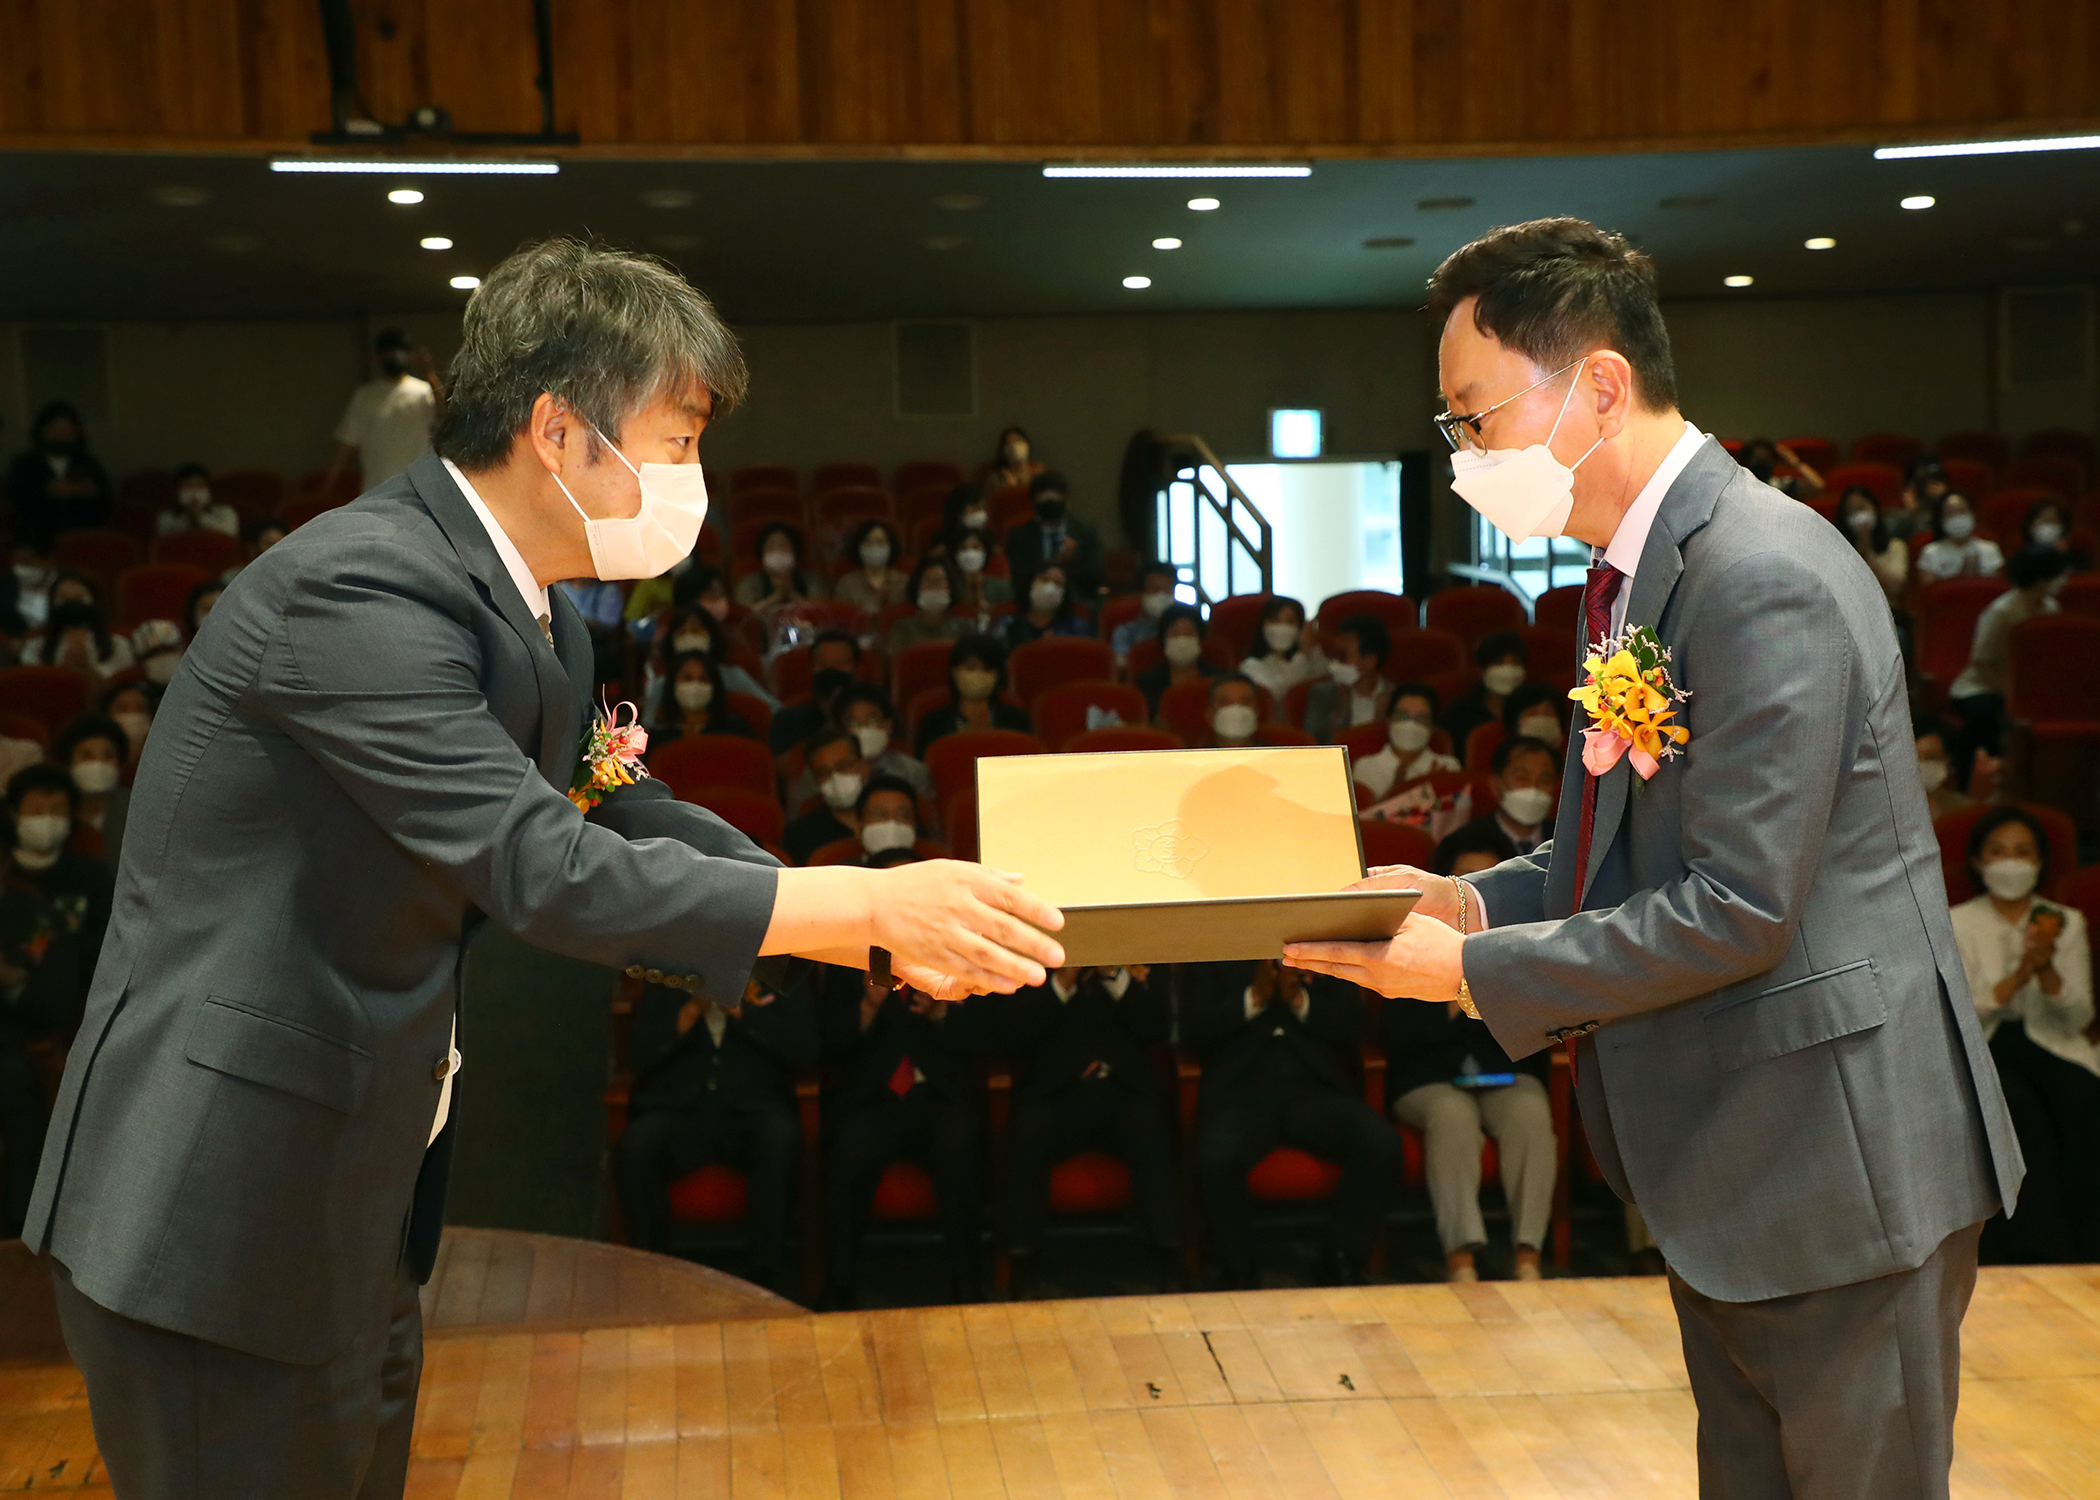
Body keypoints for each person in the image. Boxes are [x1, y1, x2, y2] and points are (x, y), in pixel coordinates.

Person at [23, 238, 1064, 1499]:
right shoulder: (362, 590)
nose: (693, 482)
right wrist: (856, 901)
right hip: (222, 1196)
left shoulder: (539, 609)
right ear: (560, 433)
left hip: (346, 1192)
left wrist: (872, 933)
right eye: (676, 445)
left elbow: (616, 804)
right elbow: (538, 863)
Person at [1289, 217, 2017, 1498]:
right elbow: (1599, 849)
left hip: (1842, 1173)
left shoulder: (1760, 575)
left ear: (1602, 385)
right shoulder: (1634, 582)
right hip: (1745, 1169)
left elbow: (1738, 908)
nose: (1461, 457)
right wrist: (1459, 897)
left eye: (1473, 417)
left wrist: (1467, 974)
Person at [1385, 822, 1554, 1283]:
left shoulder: (1521, 943)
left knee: (1530, 1111)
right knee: (1452, 1116)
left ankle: (1528, 1257)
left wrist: (1483, 980)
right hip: (1428, 1080)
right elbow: (1394, 1034)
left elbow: (1538, 1027)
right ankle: (1461, 1260)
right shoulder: (1405, 938)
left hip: (1503, 1073)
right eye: (1465, 884)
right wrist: (1453, 990)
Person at [1184, 959, 1402, 1289]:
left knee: (1381, 1143)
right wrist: (1254, 997)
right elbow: (1195, 1029)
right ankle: (1239, 1270)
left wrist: (1300, 1000)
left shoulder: (1325, 944)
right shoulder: (1215, 944)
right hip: (1242, 1091)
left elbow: (1352, 1025)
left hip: (1313, 1088)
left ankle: (1341, 1258)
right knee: (1215, 1158)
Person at [1949, 808, 2095, 1265]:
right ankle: (2030, 1249)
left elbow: (2078, 1016)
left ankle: (2089, 1246)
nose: (2011, 862)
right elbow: (1961, 1010)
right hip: (1988, 1044)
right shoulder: (1956, 922)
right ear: (1978, 861)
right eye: (1999, 851)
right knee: (2016, 1107)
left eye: (2022, 852)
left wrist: (2047, 966)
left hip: (2050, 1041)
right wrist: (2020, 972)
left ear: (2040, 862)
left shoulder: (2064, 921)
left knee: (2083, 1099)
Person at [616, 966, 818, 1293]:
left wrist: (742, 1012)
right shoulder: (667, 967)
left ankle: (765, 1281)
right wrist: (691, 1010)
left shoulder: (781, 967)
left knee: (778, 1140)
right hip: (681, 1109)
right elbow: (639, 1055)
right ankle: (651, 1278)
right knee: (637, 1145)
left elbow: (805, 1049)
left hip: (753, 1107)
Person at [818, 961, 995, 1308]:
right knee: (848, 1149)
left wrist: (940, 1013)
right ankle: (839, 1286)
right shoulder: (846, 955)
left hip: (937, 1095)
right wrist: (868, 1007)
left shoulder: (952, 949)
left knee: (959, 1144)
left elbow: (989, 1035)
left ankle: (967, 1283)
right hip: (873, 1097)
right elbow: (827, 1043)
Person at [999, 965, 1179, 1297]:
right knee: (1028, 1128)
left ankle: (1168, 1255)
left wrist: (1113, 976)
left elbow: (1158, 1027)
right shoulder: (1032, 952)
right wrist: (1063, 982)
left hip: (1121, 1086)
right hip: (1057, 1090)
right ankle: (1021, 1260)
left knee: (1150, 1122)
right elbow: (1014, 1032)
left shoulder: (1143, 941)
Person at [1, 772, 93, 1238]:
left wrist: (10, 984)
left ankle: (18, 1220)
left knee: (14, 1077)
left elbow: (56, 999)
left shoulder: (38, 916)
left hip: (14, 1039)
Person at [1947, 544, 2069, 758]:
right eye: (2059, 575)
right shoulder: (2000, 612)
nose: (2064, 580)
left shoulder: (2051, 608)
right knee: (1987, 712)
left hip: (2029, 689)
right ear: (2041, 578)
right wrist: (2013, 693)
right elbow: (1982, 660)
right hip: (1983, 687)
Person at [5, 763, 114, 974]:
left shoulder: (93, 877)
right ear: (14, 814)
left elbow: (103, 943)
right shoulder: (4, 872)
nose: (47, 820)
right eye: (36, 811)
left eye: (57, 811)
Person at [324, 328, 442, 491]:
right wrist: (329, 483)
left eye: (399, 351)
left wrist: (428, 372)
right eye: (388, 352)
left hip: (418, 489)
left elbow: (448, 414)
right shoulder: (365, 395)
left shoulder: (424, 391)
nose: (394, 357)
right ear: (378, 356)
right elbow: (348, 442)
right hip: (377, 488)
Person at [6, 401, 114, 549]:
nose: (61, 436)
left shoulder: (88, 463)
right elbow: (15, 500)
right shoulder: (24, 464)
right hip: (37, 540)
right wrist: (47, 491)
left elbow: (107, 501)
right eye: (55, 430)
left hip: (82, 537)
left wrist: (88, 491)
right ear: (42, 431)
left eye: (67, 431)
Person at [915, 633, 1031, 755]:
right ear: (954, 672)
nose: (978, 674)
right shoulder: (933, 723)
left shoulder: (1018, 721)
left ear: (997, 675)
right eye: (971, 668)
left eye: (987, 669)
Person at [1351, 682, 1461, 802]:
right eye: (1403, 716)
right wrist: (1398, 791)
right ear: (1389, 720)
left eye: (1420, 719)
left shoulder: (1447, 766)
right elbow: (1364, 817)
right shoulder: (1366, 767)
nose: (1410, 725)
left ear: (1432, 727)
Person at [1453, 736, 1561, 857]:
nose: (1533, 787)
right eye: (1521, 778)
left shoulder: (1567, 839)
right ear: (1496, 784)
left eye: (1545, 780)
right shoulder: (1464, 842)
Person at [1004, 472, 1103, 600]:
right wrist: (1055, 562)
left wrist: (1073, 560)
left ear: (1067, 500)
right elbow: (1019, 579)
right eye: (1045, 500)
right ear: (1034, 502)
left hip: (1077, 601)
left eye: (1055, 499)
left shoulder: (1085, 533)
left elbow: (1096, 576)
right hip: (1033, 602)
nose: (1051, 505)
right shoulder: (1020, 535)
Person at [765, 630, 862, 755]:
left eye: (841, 664)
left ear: (856, 668)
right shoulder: (788, 721)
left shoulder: (878, 717)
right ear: (812, 668)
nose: (831, 672)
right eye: (822, 665)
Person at [1302, 614, 1394, 743]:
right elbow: (1312, 746)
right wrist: (1339, 714)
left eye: (1343, 657)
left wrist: (1382, 725)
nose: (1335, 664)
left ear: (1370, 661)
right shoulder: (1321, 695)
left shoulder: (1398, 698)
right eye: (1335, 656)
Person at [18, 581, 134, 682]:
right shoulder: (35, 648)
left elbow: (121, 688)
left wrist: (87, 670)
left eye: (79, 599)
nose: (72, 607)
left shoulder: (119, 645)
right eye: (64, 600)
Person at [783, 728, 868, 865]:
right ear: (815, 779)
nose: (836, 778)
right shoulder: (800, 836)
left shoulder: (892, 814)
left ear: (863, 765)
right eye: (824, 773)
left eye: (844, 766)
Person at [1440, 629, 1528, 755]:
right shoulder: (1458, 714)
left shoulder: (1534, 708)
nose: (1508, 670)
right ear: (1481, 670)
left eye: (1516, 663)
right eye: (1499, 663)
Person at [648, 651, 758, 744]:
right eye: (687, 679)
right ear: (673, 686)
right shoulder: (657, 739)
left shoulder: (736, 730)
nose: (695, 685)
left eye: (703, 679)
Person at [1135, 603, 1218, 720]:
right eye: (1175, 633)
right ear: (1164, 641)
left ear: (1200, 640)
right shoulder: (1147, 683)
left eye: (1188, 633)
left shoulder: (1217, 679)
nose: (1182, 640)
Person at [732, 521, 827, 621]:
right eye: (771, 547)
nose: (778, 552)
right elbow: (745, 615)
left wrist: (791, 594)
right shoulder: (750, 582)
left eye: (783, 546)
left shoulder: (812, 582)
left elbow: (821, 613)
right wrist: (777, 597)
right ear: (762, 554)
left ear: (795, 552)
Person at [1833, 484, 1907, 609]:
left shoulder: (1896, 546)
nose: (1859, 516)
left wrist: (1869, 553)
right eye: (1852, 512)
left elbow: (1895, 588)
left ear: (1874, 508)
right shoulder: (1838, 551)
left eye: (1862, 508)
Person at [1237, 595, 1324, 701]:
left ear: (1300, 628)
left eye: (1290, 622)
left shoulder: (1313, 658)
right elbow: (1278, 694)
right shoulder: (1250, 666)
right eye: (1275, 621)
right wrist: (1302, 655)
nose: (1281, 628)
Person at [886, 557, 970, 656]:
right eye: (928, 582)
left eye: (939, 582)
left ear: (951, 588)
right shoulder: (903, 629)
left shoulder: (965, 629)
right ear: (917, 588)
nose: (933, 587)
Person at [1914, 492, 2003, 582]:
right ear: (1942, 520)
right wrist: (1962, 576)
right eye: (1951, 514)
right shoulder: (1931, 553)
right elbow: (1930, 592)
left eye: (1962, 512)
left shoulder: (1990, 549)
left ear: (1972, 514)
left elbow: (1997, 589)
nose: (1958, 518)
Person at [1001, 562, 1090, 645]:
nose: (1050, 588)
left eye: (1058, 583)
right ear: (1030, 584)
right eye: (1045, 579)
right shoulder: (1008, 624)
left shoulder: (1076, 629)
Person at [834, 518, 910, 616]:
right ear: (859, 547)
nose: (874, 547)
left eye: (880, 542)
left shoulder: (904, 582)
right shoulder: (846, 583)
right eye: (868, 542)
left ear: (891, 547)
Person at [1110, 562, 1178, 662]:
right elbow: (1123, 670)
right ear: (1141, 594)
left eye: (1167, 591)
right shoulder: (1125, 633)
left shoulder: (1185, 629)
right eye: (1155, 590)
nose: (1162, 597)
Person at [946, 524, 1013, 625]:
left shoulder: (1003, 586)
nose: (970, 553)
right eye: (963, 548)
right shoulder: (948, 586)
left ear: (985, 552)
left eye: (976, 547)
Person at [844, 775, 922, 862]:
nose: (891, 823)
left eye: (902, 815)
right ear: (858, 826)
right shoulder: (842, 873)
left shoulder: (932, 871)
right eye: (878, 814)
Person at [156, 463, 240, 537]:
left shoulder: (226, 512)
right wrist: (189, 518)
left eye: (200, 486)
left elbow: (230, 534)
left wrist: (201, 518)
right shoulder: (166, 517)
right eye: (188, 486)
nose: (194, 492)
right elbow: (166, 538)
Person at [1736, 436, 1822, 500]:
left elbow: (1817, 487)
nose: (1763, 466)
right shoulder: (1736, 486)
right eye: (1759, 461)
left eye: (1767, 461)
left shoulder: (1779, 485)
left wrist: (1796, 463)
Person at [979, 425, 1046, 494]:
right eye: (1010, 443)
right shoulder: (997, 478)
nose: (1015, 446)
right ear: (1004, 449)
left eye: (1018, 441)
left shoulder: (1038, 473)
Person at [2021, 496, 2086, 567]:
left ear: (2063, 526)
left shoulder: (2077, 559)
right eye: (2044, 520)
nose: (2049, 524)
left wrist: (2064, 555)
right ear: (2031, 526)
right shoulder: (2019, 562)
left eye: (2053, 520)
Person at [1205, 674, 1262, 748]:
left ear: (1257, 712)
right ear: (1210, 715)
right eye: (1225, 703)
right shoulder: (1194, 758)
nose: (1236, 710)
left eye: (1246, 702)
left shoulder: (1276, 756)